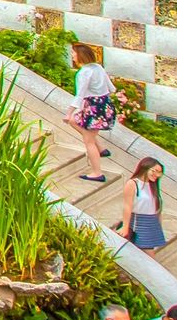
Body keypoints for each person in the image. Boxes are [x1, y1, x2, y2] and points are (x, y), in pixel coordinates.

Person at [67, 40, 117, 182]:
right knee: (74, 122)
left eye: (73, 53)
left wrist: (69, 112)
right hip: (104, 104)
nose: (72, 56)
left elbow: (80, 95)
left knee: (88, 140)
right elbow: (112, 88)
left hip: (93, 108)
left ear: (80, 55)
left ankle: (97, 173)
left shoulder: (83, 73)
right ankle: (101, 148)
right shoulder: (98, 68)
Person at [124, 157, 169, 254]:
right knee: (147, 255)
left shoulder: (153, 186)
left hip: (151, 223)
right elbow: (127, 206)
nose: (157, 175)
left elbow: (157, 209)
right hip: (138, 223)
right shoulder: (133, 183)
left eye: (159, 173)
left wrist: (158, 226)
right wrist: (125, 227)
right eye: (154, 171)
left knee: (147, 254)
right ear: (145, 167)